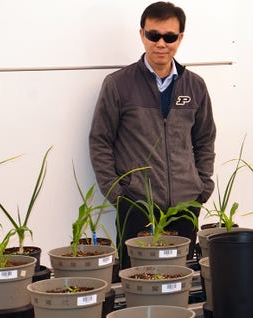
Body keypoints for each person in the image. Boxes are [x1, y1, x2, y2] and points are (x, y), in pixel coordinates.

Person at [89, 1, 216, 268]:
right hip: (136, 206)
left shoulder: (195, 86)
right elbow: (100, 141)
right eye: (153, 35)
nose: (161, 43)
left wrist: (201, 187)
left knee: (177, 278)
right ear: (142, 34)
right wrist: (118, 195)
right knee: (136, 279)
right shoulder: (118, 85)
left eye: (169, 36)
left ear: (180, 38)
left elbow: (204, 139)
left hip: (184, 206)